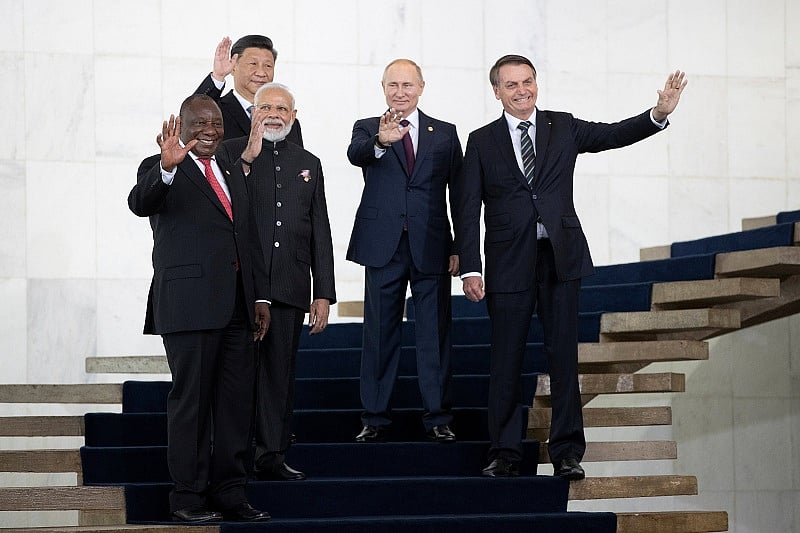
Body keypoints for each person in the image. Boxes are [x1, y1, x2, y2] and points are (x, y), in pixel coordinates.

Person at [454, 54, 687, 480]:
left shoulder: (562, 125)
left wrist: (657, 114)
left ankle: (566, 452)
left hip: (562, 258)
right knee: (505, 361)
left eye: (527, 82)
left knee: (563, 360)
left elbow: (614, 134)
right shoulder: (481, 140)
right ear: (496, 91)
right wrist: (471, 266)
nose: (521, 90)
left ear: (536, 83)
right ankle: (505, 452)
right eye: (511, 85)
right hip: (507, 263)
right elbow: (468, 208)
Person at [128, 94, 271, 522]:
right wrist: (167, 167)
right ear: (182, 125)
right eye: (200, 123)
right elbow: (140, 203)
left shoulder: (229, 167)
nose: (210, 130)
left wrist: (259, 296)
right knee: (191, 403)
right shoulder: (161, 167)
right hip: (189, 308)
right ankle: (188, 498)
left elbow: (245, 235)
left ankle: (231, 492)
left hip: (237, 309)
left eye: (216, 123)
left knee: (234, 404)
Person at [221, 82, 336, 481]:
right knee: (239, 376)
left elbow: (319, 228)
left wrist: (323, 292)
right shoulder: (231, 153)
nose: (273, 114)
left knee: (280, 377)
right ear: (252, 112)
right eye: (265, 107)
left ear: (293, 115)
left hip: (290, 285)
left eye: (281, 108)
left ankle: (272, 454)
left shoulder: (309, 161)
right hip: (243, 287)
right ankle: (235, 458)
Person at [346, 59, 463, 444]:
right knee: (379, 333)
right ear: (383, 87)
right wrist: (383, 141)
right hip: (384, 246)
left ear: (421, 87)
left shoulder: (444, 133)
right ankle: (375, 417)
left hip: (431, 244)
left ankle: (438, 416)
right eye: (393, 85)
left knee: (434, 333)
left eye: (407, 85)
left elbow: (460, 196)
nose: (400, 92)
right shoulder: (368, 128)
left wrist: (461, 246)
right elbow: (356, 153)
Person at [195, 35, 303, 145]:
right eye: (253, 64)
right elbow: (193, 113)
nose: (261, 73)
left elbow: (298, 160)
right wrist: (218, 76)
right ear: (233, 67)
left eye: (268, 66)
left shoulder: (286, 120)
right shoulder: (217, 111)